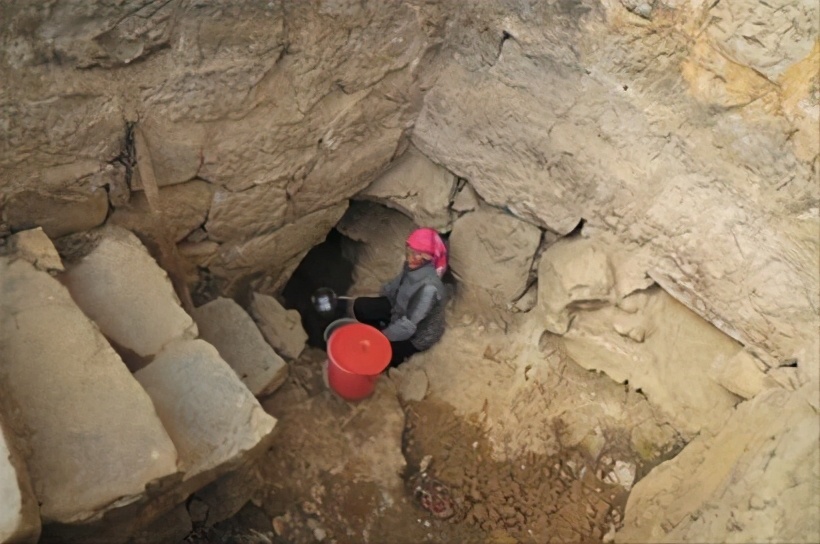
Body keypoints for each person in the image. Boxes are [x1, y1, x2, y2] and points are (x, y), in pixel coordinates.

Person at [352, 228, 449, 367]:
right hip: (399, 309)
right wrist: (385, 293)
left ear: (429, 258)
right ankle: (383, 329)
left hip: (417, 334)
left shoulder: (429, 289)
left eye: (419, 254)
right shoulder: (412, 266)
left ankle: (388, 344)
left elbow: (409, 326)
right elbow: (395, 286)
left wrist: (382, 337)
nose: (412, 257)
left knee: (379, 356)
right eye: (411, 251)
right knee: (361, 306)